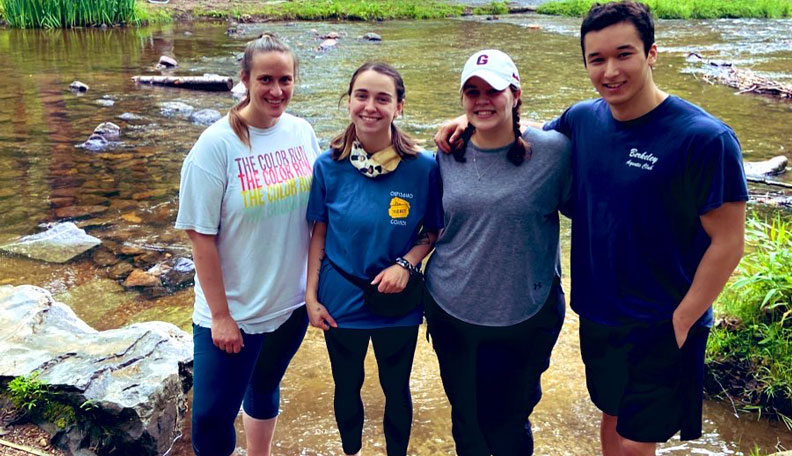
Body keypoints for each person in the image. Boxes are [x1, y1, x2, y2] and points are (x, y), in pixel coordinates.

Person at [435, 1, 748, 456]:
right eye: (597, 59)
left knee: (638, 444)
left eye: (624, 54)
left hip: (662, 320)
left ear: (652, 53)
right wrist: (471, 118)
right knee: (612, 420)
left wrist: (681, 321)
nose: (610, 71)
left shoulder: (703, 138)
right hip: (600, 315)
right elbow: (518, 140)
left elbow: (729, 242)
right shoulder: (583, 121)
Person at [175, 34, 320, 456]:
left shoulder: (301, 131)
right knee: (211, 417)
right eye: (266, 80)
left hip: (290, 305)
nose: (277, 91)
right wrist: (220, 316)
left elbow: (317, 216)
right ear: (245, 80)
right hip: (233, 314)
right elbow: (200, 236)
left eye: (286, 80)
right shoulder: (216, 146)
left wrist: (311, 292)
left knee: (265, 384)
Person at [425, 49, 571, 456]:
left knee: (508, 424)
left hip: (526, 312)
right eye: (472, 92)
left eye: (493, 90)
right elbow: (428, 224)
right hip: (452, 309)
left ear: (516, 93)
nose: (482, 99)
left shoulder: (555, 151)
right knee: (466, 422)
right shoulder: (446, 151)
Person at [305, 62, 443, 456]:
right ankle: (351, 451)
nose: (370, 106)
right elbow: (319, 233)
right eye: (361, 96)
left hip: (397, 302)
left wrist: (407, 264)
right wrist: (311, 299)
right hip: (340, 300)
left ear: (399, 107)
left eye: (382, 98)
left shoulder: (423, 168)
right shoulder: (328, 164)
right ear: (348, 101)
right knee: (346, 386)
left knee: (396, 388)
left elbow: (434, 231)